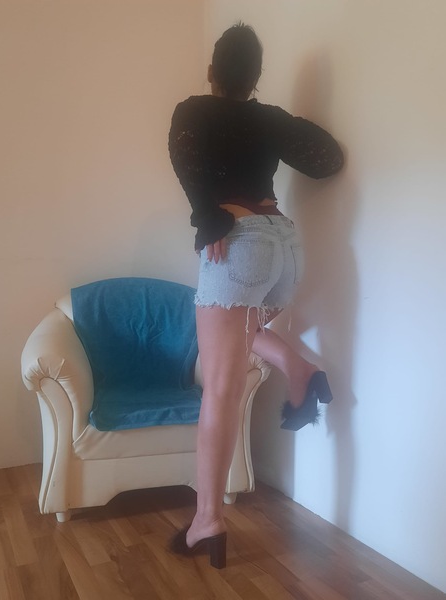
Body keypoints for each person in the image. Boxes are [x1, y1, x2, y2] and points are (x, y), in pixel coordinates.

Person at [168, 23, 344, 568]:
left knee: (219, 388)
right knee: (243, 336)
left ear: (212, 71)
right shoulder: (267, 118)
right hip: (285, 246)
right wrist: (278, 121)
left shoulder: (194, 110)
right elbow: (327, 158)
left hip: (240, 246)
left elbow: (184, 157)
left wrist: (208, 216)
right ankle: (298, 366)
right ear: (256, 77)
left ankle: (206, 520)